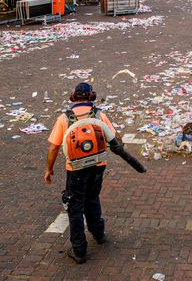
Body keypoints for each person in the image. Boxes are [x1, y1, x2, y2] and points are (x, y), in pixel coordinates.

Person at [44, 82, 120, 264]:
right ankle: (99, 234)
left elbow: (54, 148)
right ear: (91, 96)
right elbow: (114, 139)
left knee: (75, 206)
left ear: (73, 96)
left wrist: (49, 169)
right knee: (92, 198)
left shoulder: (64, 118)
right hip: (98, 166)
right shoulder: (99, 115)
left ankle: (79, 250)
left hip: (76, 169)